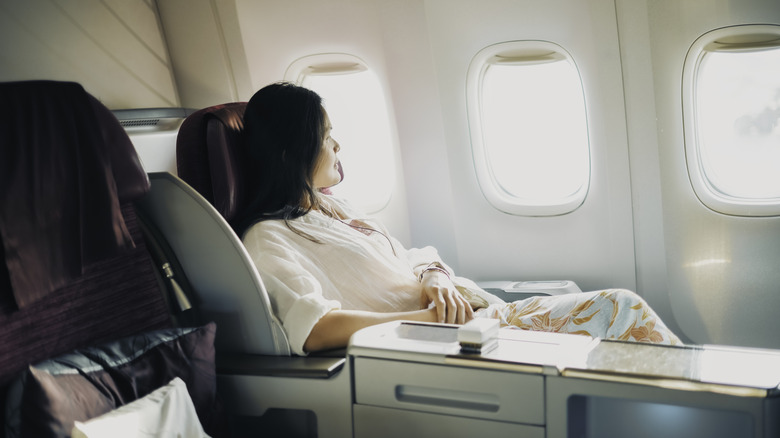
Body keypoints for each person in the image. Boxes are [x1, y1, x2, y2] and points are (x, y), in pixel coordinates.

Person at [238, 82, 681, 355]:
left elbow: (407, 257)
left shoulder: (331, 208)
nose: (338, 147)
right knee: (619, 308)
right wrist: (431, 319)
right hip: (447, 340)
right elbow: (314, 328)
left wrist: (435, 276)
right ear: (290, 151)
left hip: (470, 318)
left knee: (614, 327)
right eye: (328, 137)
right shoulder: (269, 238)